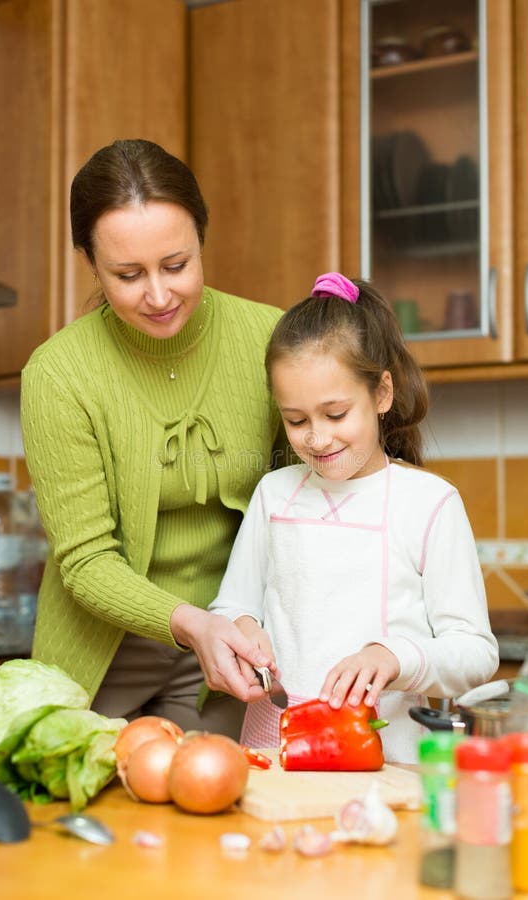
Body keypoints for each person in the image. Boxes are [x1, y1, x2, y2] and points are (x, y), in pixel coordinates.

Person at [20, 138, 287, 738]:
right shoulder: (59, 374)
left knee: (209, 809)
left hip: (227, 647)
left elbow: (306, 504)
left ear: (202, 239)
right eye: (128, 274)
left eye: (176, 265)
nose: (160, 296)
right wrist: (188, 622)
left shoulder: (267, 338)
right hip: (102, 649)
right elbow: (86, 562)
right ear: (89, 261)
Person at [209, 272, 499, 763]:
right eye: (296, 420)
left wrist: (394, 657)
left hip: (388, 756)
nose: (317, 439)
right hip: (275, 750)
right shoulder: (273, 494)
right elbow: (229, 607)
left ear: (381, 394)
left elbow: (476, 652)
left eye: (336, 414)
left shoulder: (429, 503)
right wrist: (242, 626)